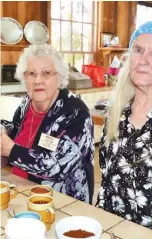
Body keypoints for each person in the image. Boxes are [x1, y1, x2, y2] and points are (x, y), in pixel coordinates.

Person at [96, 20, 152, 229]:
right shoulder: (116, 113)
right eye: (138, 50)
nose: (143, 60)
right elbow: (106, 180)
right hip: (110, 234)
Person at [1, 44, 94, 204]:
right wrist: (3, 130)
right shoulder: (27, 103)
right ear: (24, 77)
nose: (38, 80)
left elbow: (56, 165)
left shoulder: (76, 112)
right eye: (31, 73)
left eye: (46, 73)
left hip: (62, 202)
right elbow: (17, 129)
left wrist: (10, 150)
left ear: (59, 78)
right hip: (21, 190)